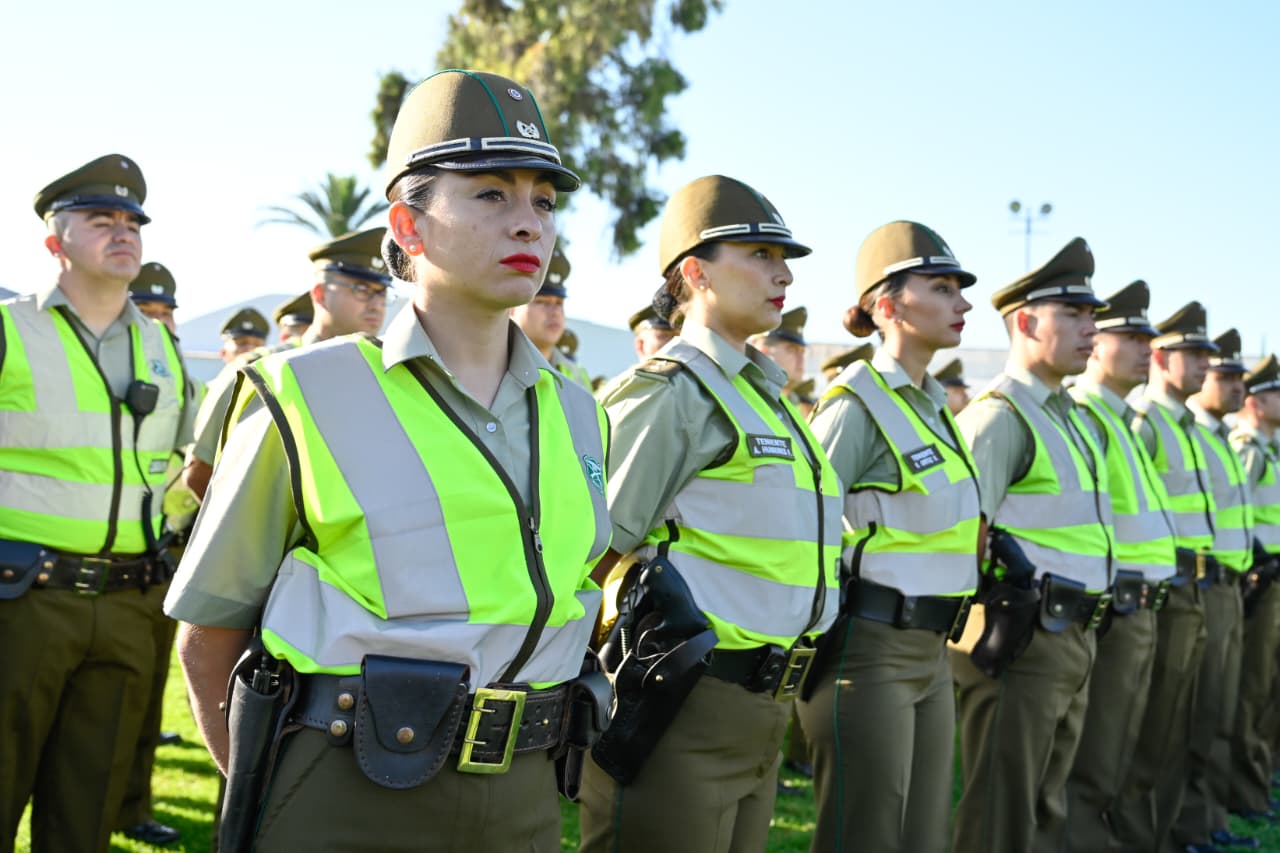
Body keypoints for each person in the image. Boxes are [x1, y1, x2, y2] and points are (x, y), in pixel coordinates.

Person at [166, 69, 611, 850]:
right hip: (350, 789)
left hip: (528, 795)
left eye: (544, 201)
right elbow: (208, 634)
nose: (529, 225)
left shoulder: (580, 412)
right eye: (490, 195)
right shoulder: (304, 391)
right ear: (408, 227)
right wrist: (268, 804)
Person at [577, 174, 842, 852]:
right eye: (759, 255)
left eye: (784, 259)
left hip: (764, 705)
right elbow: (590, 548)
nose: (782, 273)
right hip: (683, 705)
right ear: (695, 272)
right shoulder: (669, 394)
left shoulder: (769, 397)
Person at [0, 154, 193, 853]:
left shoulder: (164, 349)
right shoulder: (10, 330)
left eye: (132, 221)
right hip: (21, 597)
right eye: (100, 219)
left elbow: (182, 467)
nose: (123, 231)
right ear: (55, 243)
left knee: (86, 814)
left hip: (128, 604)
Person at [795, 220, 980, 852]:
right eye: (943, 286)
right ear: (887, 305)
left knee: (922, 834)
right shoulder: (855, 404)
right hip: (868, 651)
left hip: (932, 649)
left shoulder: (932, 405)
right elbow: (804, 526)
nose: (964, 302)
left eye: (961, 288)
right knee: (866, 834)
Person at [950, 237, 1113, 853]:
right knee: (1002, 807)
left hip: (1073, 634)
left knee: (1044, 802)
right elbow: (966, 537)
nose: (1089, 329)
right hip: (1023, 639)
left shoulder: (1068, 416)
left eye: (1092, 316)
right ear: (1025, 321)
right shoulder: (999, 417)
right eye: (1073, 315)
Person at [1063, 280, 1177, 850]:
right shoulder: (1086, 414)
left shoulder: (1121, 421)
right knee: (1096, 752)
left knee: (1127, 742)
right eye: (1130, 336)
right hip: (1110, 607)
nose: (1145, 350)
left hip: (1142, 603)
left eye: (1147, 339)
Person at [182, 228, 390, 501]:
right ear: (319, 294)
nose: (376, 304)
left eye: (382, 292)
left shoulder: (385, 371)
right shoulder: (259, 370)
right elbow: (200, 472)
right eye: (362, 290)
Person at [1116, 300, 1217, 851]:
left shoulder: (1182, 426)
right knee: (1148, 730)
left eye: (1207, 354)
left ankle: (1167, 832)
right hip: (1156, 590)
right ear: (1161, 357)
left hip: (1192, 585)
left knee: (1181, 723)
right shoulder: (1145, 424)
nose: (1204, 364)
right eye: (1193, 353)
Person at [112, 261, 200, 848]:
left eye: (169, 312)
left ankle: (133, 804)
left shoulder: (178, 374)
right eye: (151, 309)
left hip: (164, 551)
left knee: (144, 698)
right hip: (116, 552)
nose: (161, 320)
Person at [1175, 328, 1256, 852]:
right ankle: (1189, 826)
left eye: (1229, 374)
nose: (1226, 382)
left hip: (1226, 582)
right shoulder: (1180, 431)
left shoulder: (1214, 438)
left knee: (1220, 711)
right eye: (1219, 372)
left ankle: (1208, 820)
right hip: (1190, 586)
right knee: (1191, 717)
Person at [1229, 354, 1280, 821]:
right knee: (1252, 685)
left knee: (1267, 686)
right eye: (1275, 392)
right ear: (1255, 402)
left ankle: (1262, 774)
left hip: (1272, 577)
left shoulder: (1268, 449)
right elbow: (1237, 516)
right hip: (1259, 581)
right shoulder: (1247, 448)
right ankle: (1247, 788)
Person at [512, 244, 591, 388]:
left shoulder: (577, 374)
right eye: (542, 302)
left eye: (559, 303)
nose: (555, 311)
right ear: (511, 309)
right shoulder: (493, 365)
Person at [748, 305, 808, 400]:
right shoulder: (747, 397)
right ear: (763, 352)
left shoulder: (794, 405)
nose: (801, 359)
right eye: (792, 350)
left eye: (802, 352)